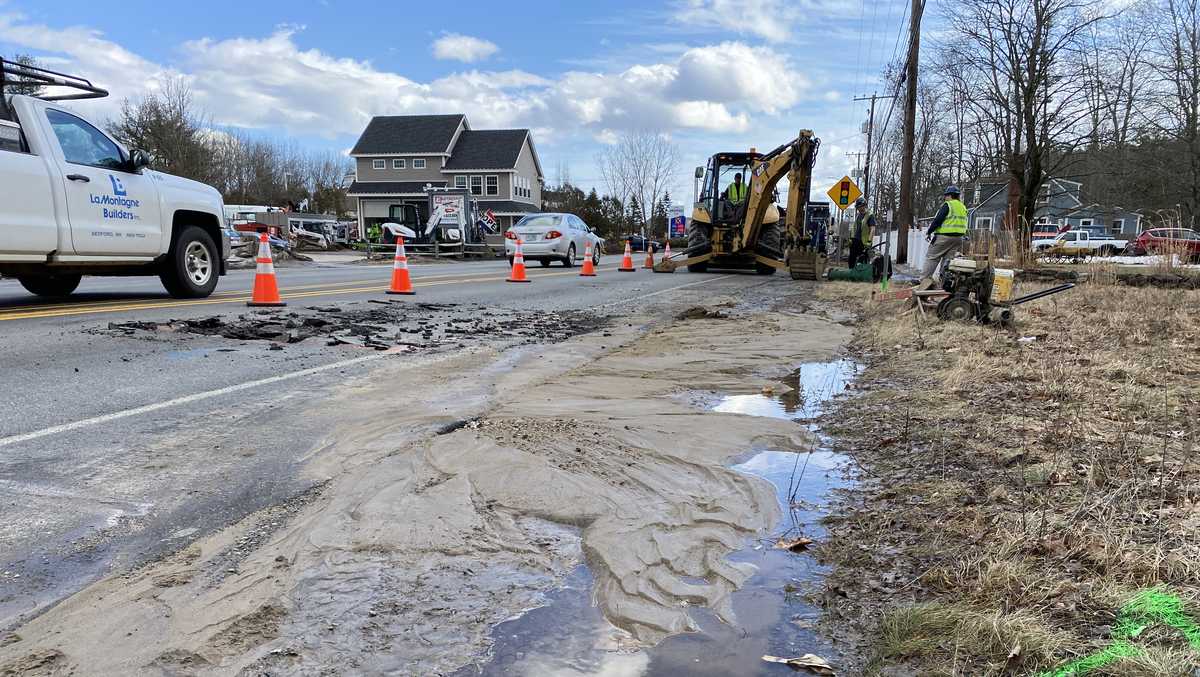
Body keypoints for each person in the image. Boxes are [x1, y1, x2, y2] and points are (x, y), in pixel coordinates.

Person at [921, 185, 968, 284]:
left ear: (950, 195)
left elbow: (938, 220)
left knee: (932, 257)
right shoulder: (963, 207)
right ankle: (943, 283)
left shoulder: (948, 205)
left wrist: (929, 231)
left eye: (946, 195)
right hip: (958, 239)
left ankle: (924, 281)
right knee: (947, 261)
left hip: (944, 237)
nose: (945, 198)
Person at [849, 197, 876, 268]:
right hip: (856, 240)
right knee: (852, 258)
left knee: (862, 260)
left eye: (860, 207)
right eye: (858, 207)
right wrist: (851, 238)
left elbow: (872, 229)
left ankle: (861, 275)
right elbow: (855, 228)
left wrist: (869, 241)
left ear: (864, 206)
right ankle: (851, 274)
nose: (859, 209)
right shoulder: (858, 216)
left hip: (864, 242)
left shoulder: (870, 215)